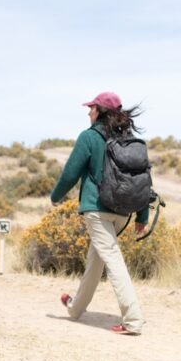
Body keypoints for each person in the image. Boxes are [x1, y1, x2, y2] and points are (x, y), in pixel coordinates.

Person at [49, 91, 148, 335]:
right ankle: (75, 308)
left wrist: (55, 197)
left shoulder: (90, 137)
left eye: (91, 108)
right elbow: (143, 178)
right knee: (96, 259)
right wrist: (142, 216)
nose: (88, 112)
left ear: (100, 111)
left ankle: (133, 320)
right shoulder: (128, 139)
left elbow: (70, 173)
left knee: (112, 258)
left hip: (97, 209)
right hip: (122, 211)